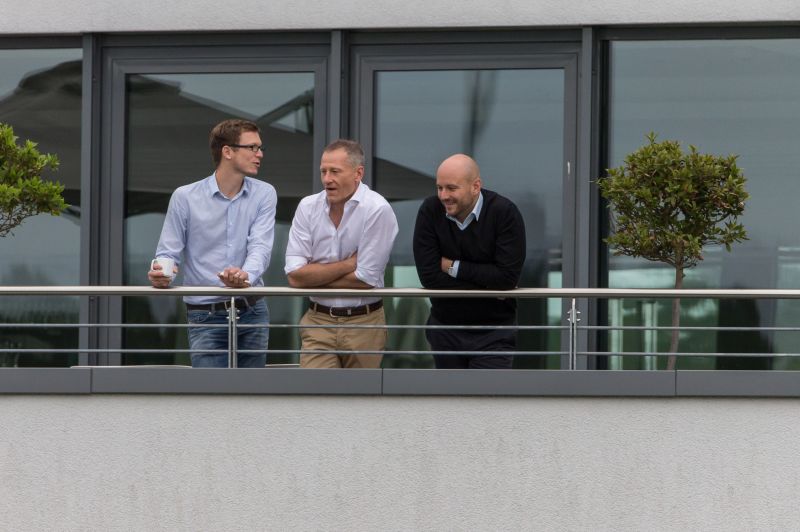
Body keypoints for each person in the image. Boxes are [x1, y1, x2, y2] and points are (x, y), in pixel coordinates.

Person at [148, 119, 277, 368]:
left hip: (253, 310)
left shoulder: (265, 193)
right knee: (210, 399)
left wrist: (245, 275)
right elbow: (167, 252)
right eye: (252, 148)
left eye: (260, 148)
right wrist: (162, 273)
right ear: (227, 151)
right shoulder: (185, 197)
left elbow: (260, 247)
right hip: (204, 313)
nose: (259, 154)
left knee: (255, 398)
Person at [285, 139, 398, 368]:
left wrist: (314, 277)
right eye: (323, 171)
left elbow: (366, 279)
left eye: (335, 171)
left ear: (358, 173)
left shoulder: (377, 209)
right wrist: (348, 265)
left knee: (360, 401)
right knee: (316, 399)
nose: (327, 179)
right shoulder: (307, 207)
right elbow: (295, 276)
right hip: (318, 320)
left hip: (364, 322)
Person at [413, 153, 525, 369]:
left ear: (476, 186)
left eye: (451, 188)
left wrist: (452, 266)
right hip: (445, 330)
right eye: (439, 187)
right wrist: (489, 286)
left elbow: (506, 278)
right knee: (450, 402)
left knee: (488, 400)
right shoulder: (430, 211)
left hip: (494, 332)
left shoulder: (504, 213)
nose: (443, 195)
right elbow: (429, 278)